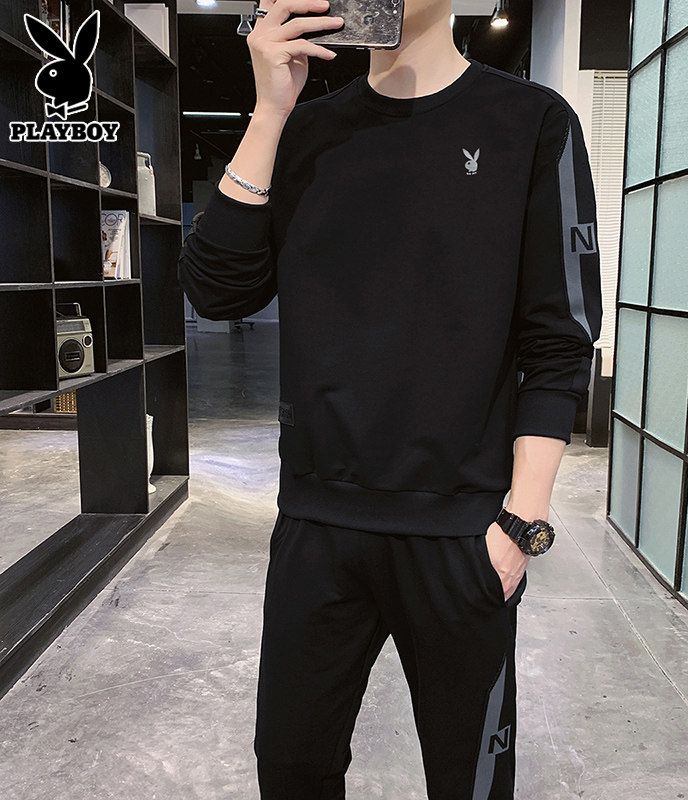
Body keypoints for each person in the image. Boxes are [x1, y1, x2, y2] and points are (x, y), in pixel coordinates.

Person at [177, 0, 603, 796]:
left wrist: (522, 523)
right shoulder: (305, 132)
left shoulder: (532, 124)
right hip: (317, 524)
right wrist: (270, 110)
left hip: (462, 532)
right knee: (291, 771)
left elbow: (559, 339)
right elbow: (217, 290)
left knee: (471, 782)